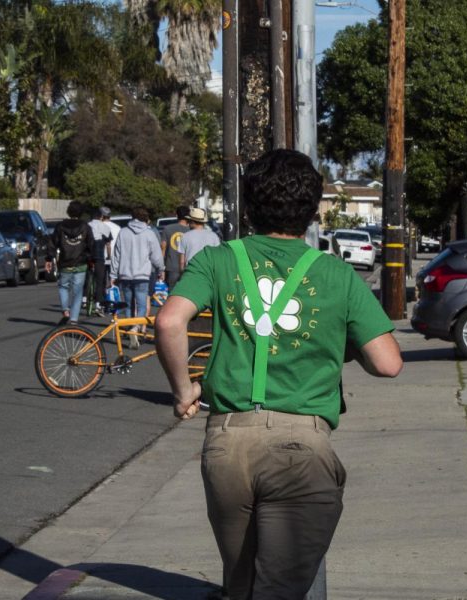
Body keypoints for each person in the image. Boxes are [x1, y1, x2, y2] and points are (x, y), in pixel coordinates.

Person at [156, 149, 402, 599]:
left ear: (249, 207)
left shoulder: (217, 260)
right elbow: (387, 362)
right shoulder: (336, 273)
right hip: (300, 446)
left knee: (242, 584)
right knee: (282, 590)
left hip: (228, 443)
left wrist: (183, 391)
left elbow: (170, 322)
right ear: (311, 212)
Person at [110, 207, 164, 348]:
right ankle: (136, 328)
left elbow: (116, 255)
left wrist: (113, 274)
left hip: (125, 274)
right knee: (141, 305)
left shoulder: (123, 232)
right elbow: (156, 255)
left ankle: (130, 327)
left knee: (128, 304)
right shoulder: (149, 233)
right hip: (142, 275)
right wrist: (161, 269)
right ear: (146, 218)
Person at [46, 200, 94, 325]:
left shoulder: (60, 226)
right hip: (81, 263)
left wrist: (49, 258)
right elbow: (91, 245)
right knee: (77, 292)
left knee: (63, 287)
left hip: (65, 262)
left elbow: (52, 243)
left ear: (68, 212)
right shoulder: (85, 227)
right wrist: (91, 259)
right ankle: (74, 319)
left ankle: (65, 310)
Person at [177, 206, 221, 271]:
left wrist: (182, 275)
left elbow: (182, 262)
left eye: (189, 221)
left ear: (193, 222)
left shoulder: (185, 236)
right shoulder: (214, 236)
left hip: (191, 272)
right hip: (209, 272)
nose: (188, 223)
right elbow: (218, 258)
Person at [86, 207, 112, 316]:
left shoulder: (87, 226)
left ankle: (83, 300)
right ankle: (98, 305)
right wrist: (109, 257)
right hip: (99, 257)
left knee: (86, 278)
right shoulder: (105, 227)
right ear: (101, 216)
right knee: (100, 281)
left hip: (87, 256)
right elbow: (108, 244)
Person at [160, 206, 190, 289]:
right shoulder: (191, 230)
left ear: (176, 215)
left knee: (171, 294)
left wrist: (161, 269)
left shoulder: (167, 229)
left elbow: (163, 248)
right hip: (188, 268)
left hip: (171, 267)